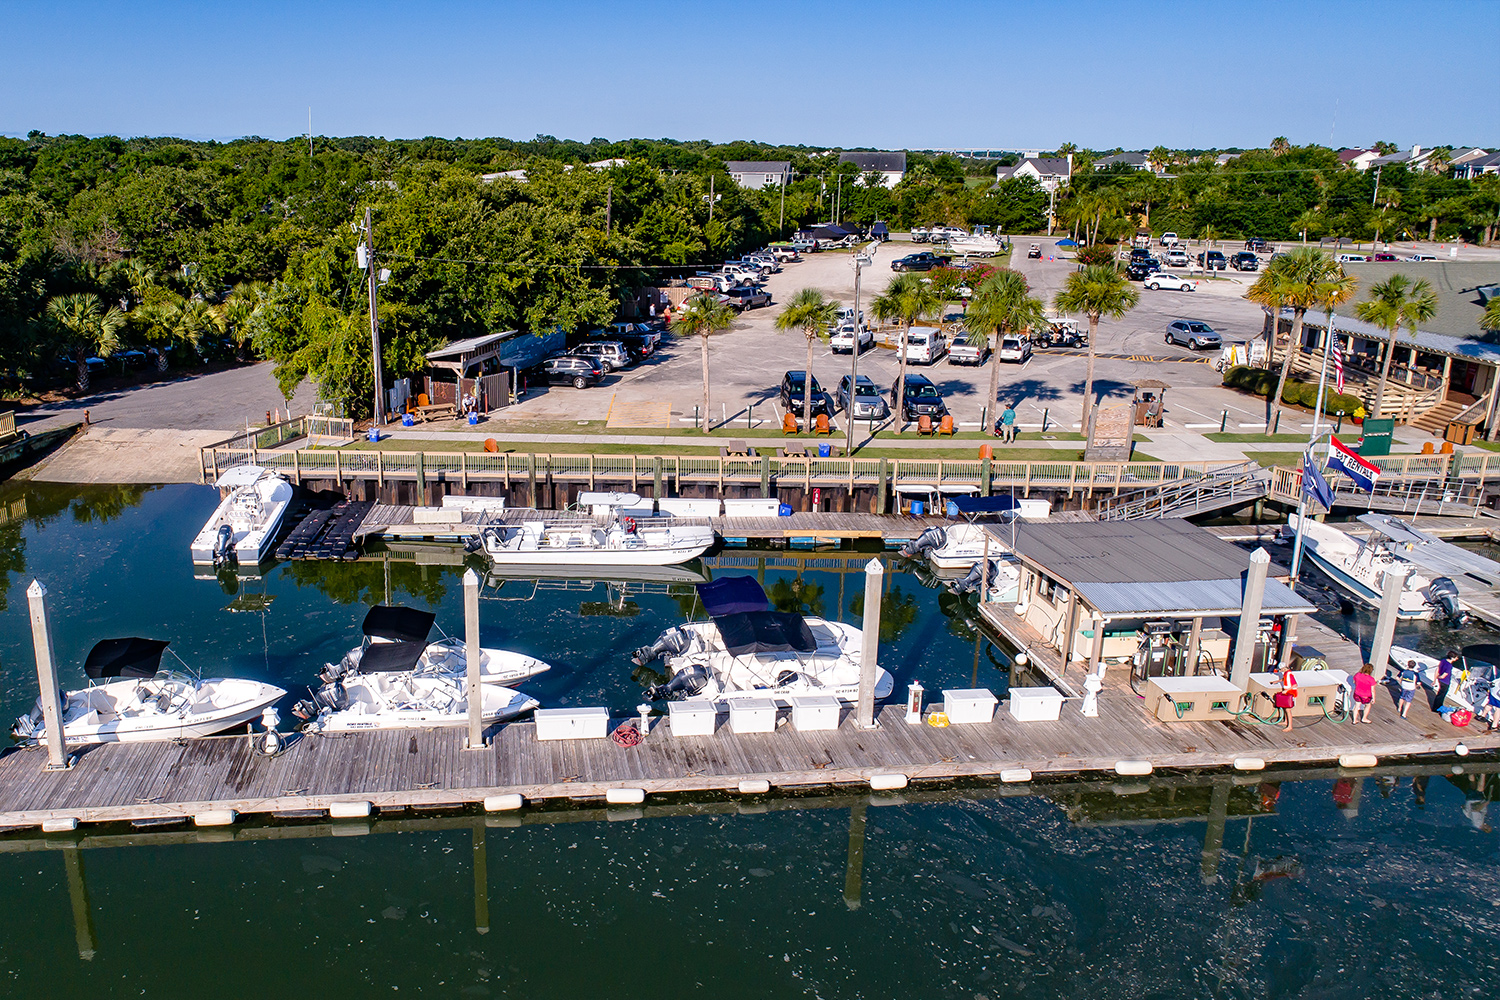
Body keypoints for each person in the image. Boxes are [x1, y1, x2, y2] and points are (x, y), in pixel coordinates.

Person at [1276, 666, 1298, 732]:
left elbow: (1295, 684)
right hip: (1288, 693)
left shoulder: (1289, 674)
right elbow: (1284, 679)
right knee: (1285, 708)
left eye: (1281, 669)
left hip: (1291, 694)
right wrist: (1276, 681)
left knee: (1288, 710)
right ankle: (1286, 721)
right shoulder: (1286, 673)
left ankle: (1290, 726)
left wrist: (1286, 690)